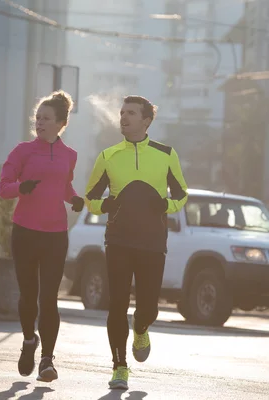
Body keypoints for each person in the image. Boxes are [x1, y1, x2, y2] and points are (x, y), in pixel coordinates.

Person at [84, 95, 188, 390]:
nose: (124, 117)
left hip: (153, 241)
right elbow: (90, 197)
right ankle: (119, 367)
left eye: (130, 113)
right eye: (121, 113)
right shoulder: (108, 156)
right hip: (118, 240)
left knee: (148, 307)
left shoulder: (166, 154)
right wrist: (104, 207)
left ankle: (141, 328)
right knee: (117, 304)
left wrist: (164, 206)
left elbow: (182, 194)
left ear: (146, 120)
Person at [0, 90, 84, 383]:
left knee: (49, 298)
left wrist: (75, 199)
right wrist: (21, 187)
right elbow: (3, 187)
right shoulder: (22, 151)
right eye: (37, 117)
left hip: (55, 235)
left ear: (61, 123)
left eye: (46, 118)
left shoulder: (69, 155)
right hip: (25, 232)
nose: (40, 122)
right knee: (29, 296)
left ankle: (47, 359)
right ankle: (28, 341)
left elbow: (65, 188)